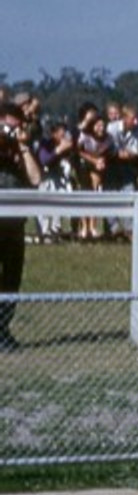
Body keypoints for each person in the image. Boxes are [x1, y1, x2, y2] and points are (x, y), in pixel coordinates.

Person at [0, 102, 42, 350]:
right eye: (9, 124)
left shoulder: (18, 151)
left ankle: (3, 328)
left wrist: (22, 147)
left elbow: (36, 178)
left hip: (15, 227)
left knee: (11, 280)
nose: (14, 130)